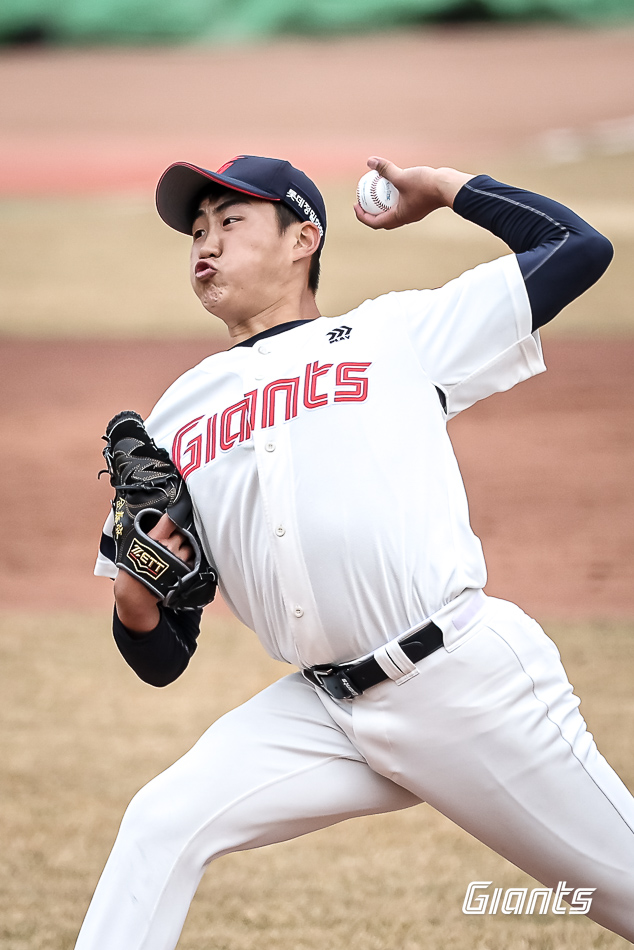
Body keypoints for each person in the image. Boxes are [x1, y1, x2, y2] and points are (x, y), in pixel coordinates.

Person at [78, 154, 634, 948]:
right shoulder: (176, 413)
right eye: (196, 232)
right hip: (326, 713)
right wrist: (136, 599)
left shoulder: (393, 334)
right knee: (161, 823)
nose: (205, 245)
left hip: (465, 683)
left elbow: (578, 249)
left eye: (230, 223)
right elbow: (162, 655)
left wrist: (445, 190)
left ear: (304, 237)